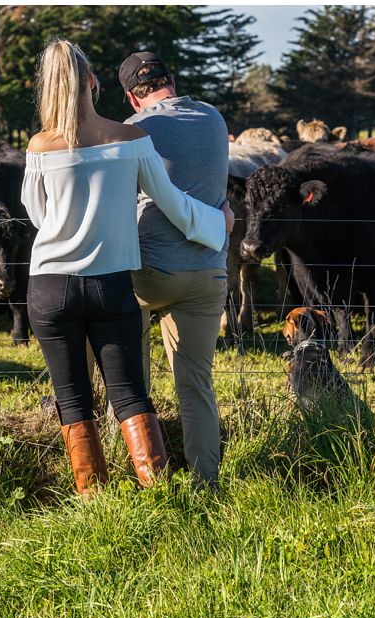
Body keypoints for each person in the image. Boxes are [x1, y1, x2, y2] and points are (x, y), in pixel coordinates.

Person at [20, 39, 234, 497]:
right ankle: (159, 494)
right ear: (93, 82)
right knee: (131, 395)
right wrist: (220, 223)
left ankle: (95, 502)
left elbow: (37, 215)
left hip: (48, 285)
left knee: (73, 400)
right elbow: (173, 204)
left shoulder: (39, 145)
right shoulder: (132, 139)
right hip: (110, 280)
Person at [118, 51, 231, 488]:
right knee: (196, 385)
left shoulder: (133, 131)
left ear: (131, 97)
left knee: (131, 376)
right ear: (173, 79)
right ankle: (207, 482)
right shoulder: (214, 119)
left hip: (149, 271)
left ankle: (141, 472)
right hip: (207, 271)